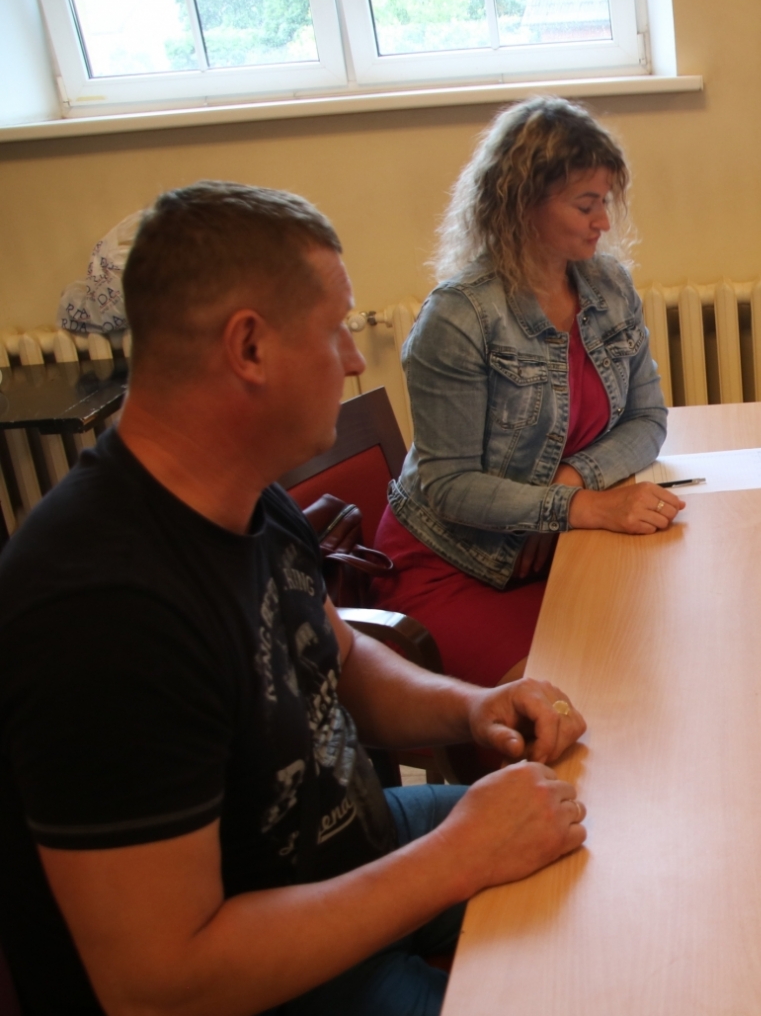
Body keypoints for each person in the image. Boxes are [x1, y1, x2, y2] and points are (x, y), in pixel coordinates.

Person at [0, 182, 590, 1016]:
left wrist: (471, 708)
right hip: (267, 972)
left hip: (354, 851)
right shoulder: (101, 613)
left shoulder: (247, 492)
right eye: (335, 329)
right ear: (250, 348)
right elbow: (161, 983)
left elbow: (337, 657)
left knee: (605, 849)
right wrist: (455, 859)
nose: (353, 359)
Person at [373, 96, 681, 689]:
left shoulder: (609, 285)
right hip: (458, 565)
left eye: (605, 203)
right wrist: (575, 509)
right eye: (585, 205)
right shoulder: (459, 317)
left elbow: (649, 418)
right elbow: (448, 486)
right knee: (574, 706)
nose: (603, 222)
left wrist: (568, 485)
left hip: (556, 550)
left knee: (655, 662)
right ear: (522, 204)